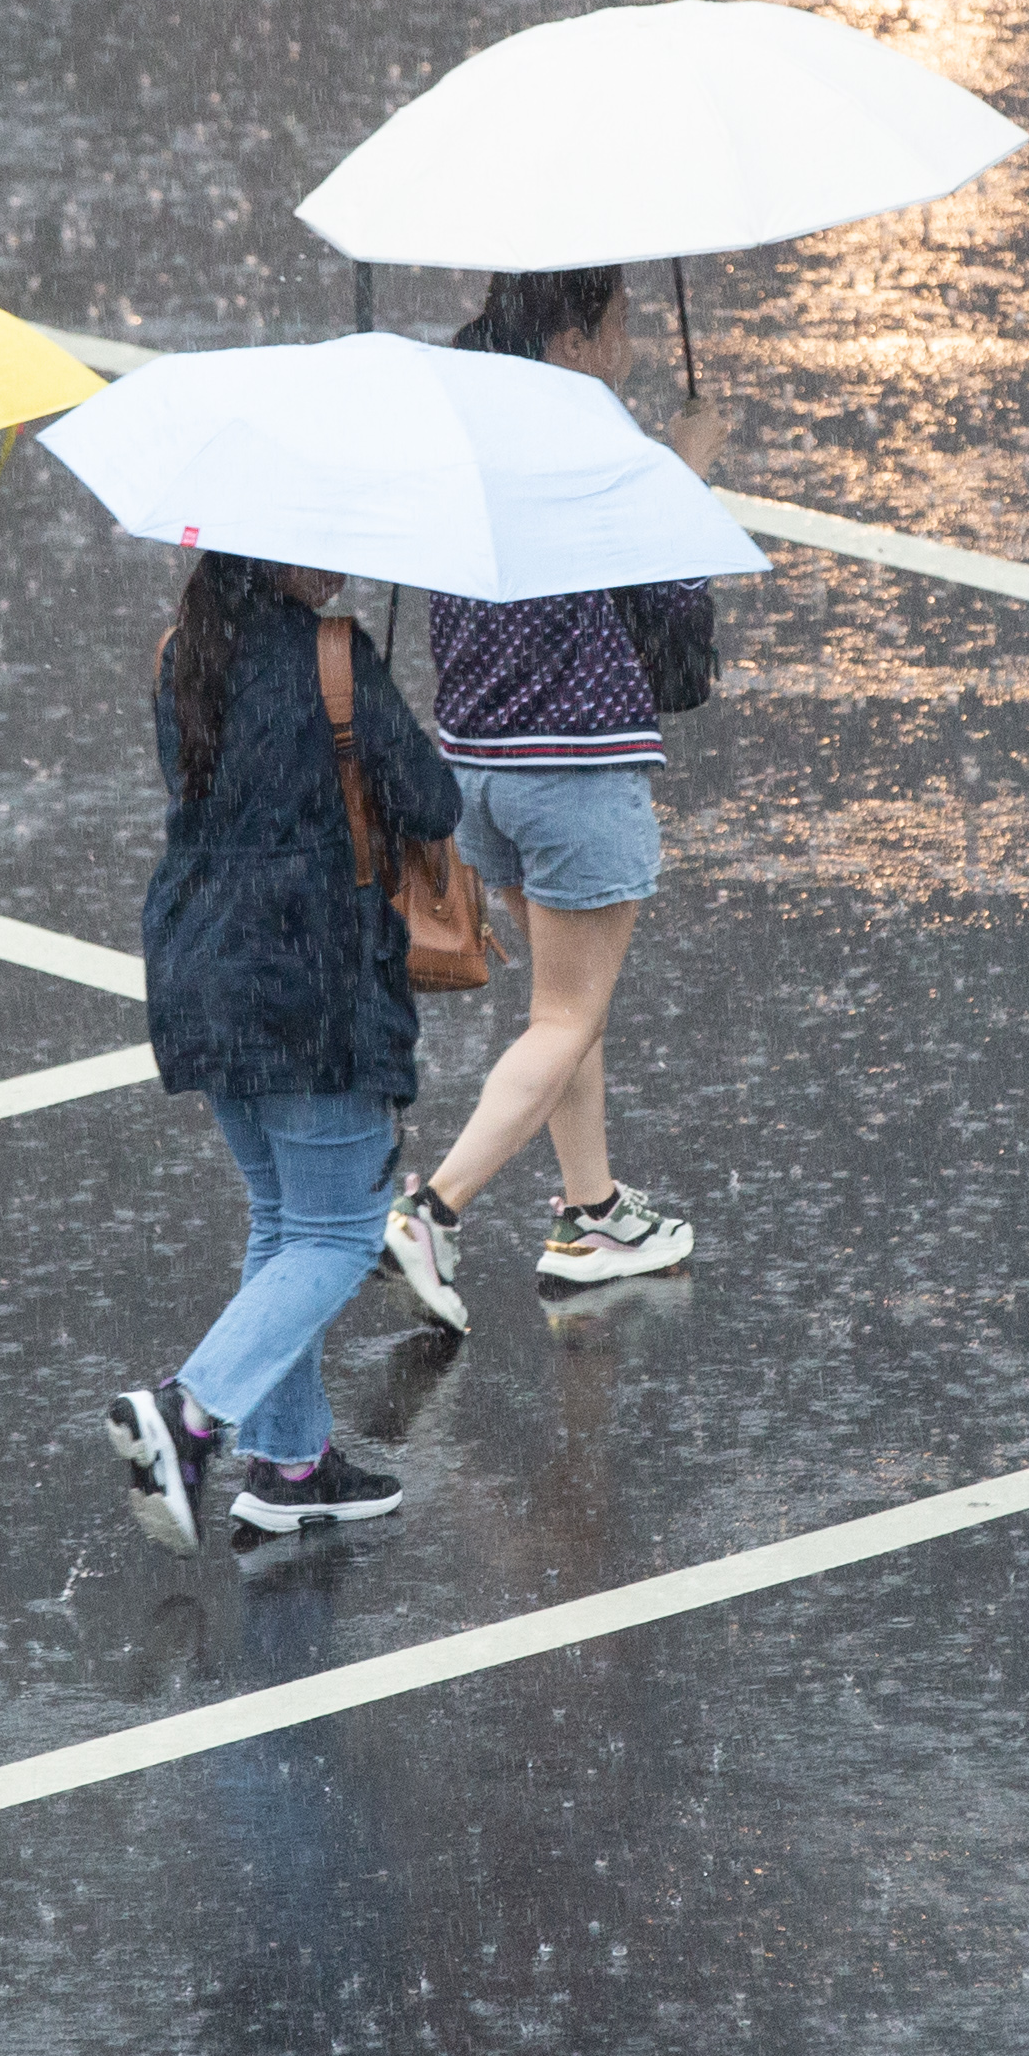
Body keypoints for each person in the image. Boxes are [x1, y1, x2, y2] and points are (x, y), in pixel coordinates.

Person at [375, 267, 728, 1330]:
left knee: (566, 1011)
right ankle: (433, 1210)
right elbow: (671, 590)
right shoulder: (594, 442)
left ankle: (595, 1214)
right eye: (618, 327)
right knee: (568, 1014)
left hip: (477, 766)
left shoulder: (469, 434)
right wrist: (687, 471)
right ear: (571, 341)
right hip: (575, 769)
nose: (627, 347)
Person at [108, 551, 463, 1550]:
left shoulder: (184, 653)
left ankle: (291, 1463)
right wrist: (378, 725)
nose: (344, 563)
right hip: (309, 979)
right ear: (278, 552)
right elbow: (433, 808)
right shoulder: (335, 658)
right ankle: (188, 1413)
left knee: (283, 1222)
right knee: (339, 1237)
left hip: (200, 966)